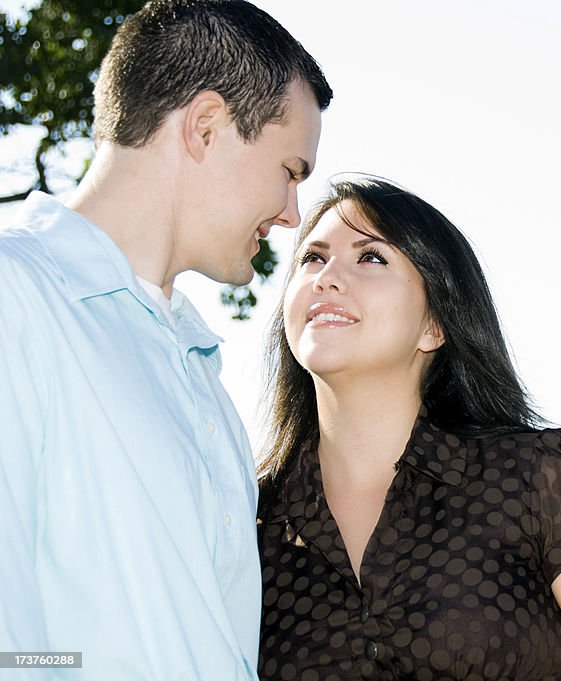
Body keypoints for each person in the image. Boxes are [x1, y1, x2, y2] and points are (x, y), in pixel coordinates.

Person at [0, 1, 331, 678]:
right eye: (290, 171)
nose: (294, 213)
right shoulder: (17, 295)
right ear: (207, 126)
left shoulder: (199, 367)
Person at [256, 175, 561, 680]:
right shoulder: (245, 518)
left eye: (371, 257)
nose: (326, 277)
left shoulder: (543, 481)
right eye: (312, 258)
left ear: (434, 326)